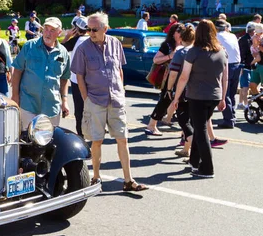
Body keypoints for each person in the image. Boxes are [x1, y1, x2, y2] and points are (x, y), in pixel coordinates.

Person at [71, 12, 147, 192]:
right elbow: (79, 76)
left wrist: (120, 90)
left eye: (94, 29)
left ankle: (128, 180)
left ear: (105, 28)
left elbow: (119, 69)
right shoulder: (83, 48)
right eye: (88, 29)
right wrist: (86, 99)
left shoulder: (115, 44)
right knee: (97, 140)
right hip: (95, 100)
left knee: (123, 139)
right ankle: (96, 178)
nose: (90, 32)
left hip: (116, 100)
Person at [170, 20, 228, 178]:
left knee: (200, 130)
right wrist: (223, 98)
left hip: (197, 96)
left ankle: (207, 168)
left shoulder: (194, 52)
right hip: (214, 96)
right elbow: (225, 78)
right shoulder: (222, 51)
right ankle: (194, 162)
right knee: (199, 127)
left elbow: (184, 76)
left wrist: (176, 97)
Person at [12, 17, 70, 130]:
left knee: (49, 141)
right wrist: (15, 96)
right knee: (28, 141)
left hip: (51, 106)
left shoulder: (63, 53)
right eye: (46, 29)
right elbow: (17, 71)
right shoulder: (29, 46)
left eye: (52, 30)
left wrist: (65, 101)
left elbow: (64, 78)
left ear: (59, 32)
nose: (48, 33)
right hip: (28, 104)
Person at [144, 23, 183, 135]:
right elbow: (156, 60)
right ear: (174, 33)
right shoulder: (167, 45)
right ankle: (152, 125)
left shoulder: (185, 44)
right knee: (165, 100)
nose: (181, 33)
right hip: (168, 77)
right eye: (179, 31)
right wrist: (171, 56)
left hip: (180, 77)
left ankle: (184, 130)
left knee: (181, 102)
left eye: (183, 31)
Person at [166, 25, 196, 157]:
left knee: (184, 121)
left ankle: (193, 145)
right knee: (192, 120)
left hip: (183, 90)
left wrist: (169, 89)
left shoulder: (181, 52)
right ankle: (186, 149)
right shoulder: (198, 51)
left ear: (181, 38)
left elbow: (173, 74)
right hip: (197, 91)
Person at [62, 16, 89, 137]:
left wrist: (67, 36)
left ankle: (81, 134)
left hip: (76, 79)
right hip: (92, 79)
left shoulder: (76, 40)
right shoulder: (94, 39)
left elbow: (60, 49)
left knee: (79, 109)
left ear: (76, 29)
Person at [215, 19, 241, 129]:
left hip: (227, 65)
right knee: (232, 93)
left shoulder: (216, 37)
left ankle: (228, 120)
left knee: (225, 93)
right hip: (237, 64)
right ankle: (232, 114)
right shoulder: (233, 36)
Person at [238, 22, 256, 109]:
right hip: (246, 66)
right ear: (252, 32)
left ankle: (240, 103)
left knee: (242, 86)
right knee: (246, 86)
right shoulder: (248, 40)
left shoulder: (243, 39)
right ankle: (246, 105)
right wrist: (242, 65)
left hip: (244, 65)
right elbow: (243, 54)